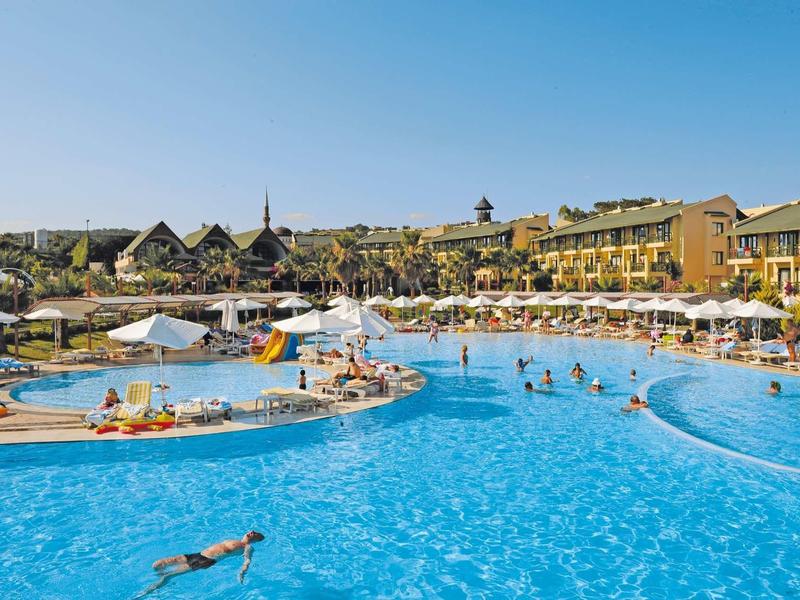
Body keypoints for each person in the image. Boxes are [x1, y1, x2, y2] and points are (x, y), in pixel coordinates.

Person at [142, 531, 265, 596]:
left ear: (256, 540)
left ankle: (147, 592)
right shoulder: (234, 540)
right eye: (253, 530)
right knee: (157, 564)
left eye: (256, 534)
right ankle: (161, 579)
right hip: (197, 554)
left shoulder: (247, 547)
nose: (253, 531)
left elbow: (247, 560)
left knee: (168, 575)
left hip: (206, 561)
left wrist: (241, 573)